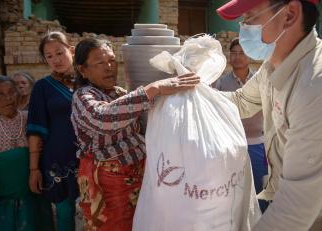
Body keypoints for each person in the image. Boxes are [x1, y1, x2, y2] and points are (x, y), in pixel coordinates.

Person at [216, 0, 322, 230]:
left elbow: (294, 210)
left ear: (289, 14)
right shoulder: (273, 65)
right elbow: (242, 101)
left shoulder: (319, 83)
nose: (244, 27)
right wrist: (194, 93)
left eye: (250, 18)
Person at [71, 38, 199, 231]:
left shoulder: (119, 93)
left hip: (138, 180)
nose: (109, 67)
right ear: (83, 70)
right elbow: (104, 119)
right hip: (107, 187)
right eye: (100, 63)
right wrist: (154, 88)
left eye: (112, 60)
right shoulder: (83, 96)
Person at [27, 31, 79, 231]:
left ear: (71, 50)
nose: (55, 59)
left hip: (89, 158)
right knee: (64, 214)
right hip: (57, 162)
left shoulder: (86, 82)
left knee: (92, 211)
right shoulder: (42, 87)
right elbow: (35, 130)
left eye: (59, 52)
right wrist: (34, 169)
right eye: (49, 56)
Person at [0, 76, 52, 231]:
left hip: (34, 190)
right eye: (1, 94)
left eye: (11, 92)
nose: (8, 98)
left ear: (18, 94)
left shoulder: (30, 118)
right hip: (3, 194)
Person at [212, 38, 269, 213]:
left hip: (258, 144)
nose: (237, 57)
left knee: (261, 188)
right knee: (235, 188)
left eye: (242, 53)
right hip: (232, 145)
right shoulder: (221, 83)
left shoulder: (260, 79)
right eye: (233, 53)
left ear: (249, 56)